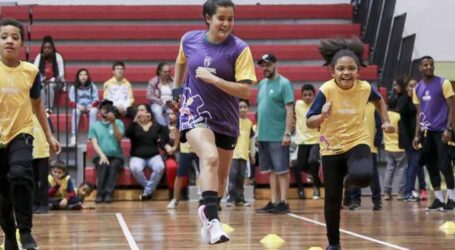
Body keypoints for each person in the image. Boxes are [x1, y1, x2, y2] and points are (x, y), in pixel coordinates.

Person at [173, 0, 256, 244]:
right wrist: (177, 91)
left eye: (231, 19)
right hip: (194, 113)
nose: (227, 23)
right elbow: (180, 61)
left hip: (226, 119)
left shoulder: (240, 49)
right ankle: (213, 222)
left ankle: (207, 211)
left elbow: (244, 92)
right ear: (208, 18)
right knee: (209, 157)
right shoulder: (189, 39)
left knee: (221, 182)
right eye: (221, 18)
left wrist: (213, 79)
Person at [306, 38, 393, 250]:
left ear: (358, 72)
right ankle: (334, 244)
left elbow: (379, 99)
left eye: (351, 68)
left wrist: (387, 120)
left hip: (357, 141)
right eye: (341, 69)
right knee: (332, 200)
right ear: (332, 72)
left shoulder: (364, 88)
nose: (346, 72)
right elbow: (309, 122)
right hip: (331, 147)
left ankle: (349, 180)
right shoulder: (326, 90)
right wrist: (322, 115)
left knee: (364, 177)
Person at [0, 18, 61, 250]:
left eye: (15, 37)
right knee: (3, 193)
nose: (9, 41)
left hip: (21, 133)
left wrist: (49, 135)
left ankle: (25, 231)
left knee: (19, 174)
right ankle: (8, 233)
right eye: (4, 36)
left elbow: (37, 106)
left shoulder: (31, 72)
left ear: (22, 43)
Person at [412, 56, 455, 211]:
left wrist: (448, 129)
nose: (429, 67)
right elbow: (419, 114)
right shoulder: (417, 88)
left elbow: (452, 107)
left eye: (431, 64)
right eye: (426, 65)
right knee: (431, 166)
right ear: (420, 68)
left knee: (445, 165)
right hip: (426, 133)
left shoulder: (444, 83)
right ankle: (438, 200)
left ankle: (452, 199)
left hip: (442, 131)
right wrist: (417, 134)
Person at [255, 53, 294, 214]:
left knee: (282, 170)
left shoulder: (284, 83)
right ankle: (274, 200)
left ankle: (284, 202)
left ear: (275, 64)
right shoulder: (262, 84)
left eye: (268, 64)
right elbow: (260, 110)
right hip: (264, 134)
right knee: (271, 170)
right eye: (263, 65)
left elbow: (289, 109)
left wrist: (287, 133)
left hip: (278, 134)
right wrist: (257, 131)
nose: (265, 68)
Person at [125, 104, 171, 200]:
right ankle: (148, 190)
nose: (139, 112)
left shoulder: (155, 125)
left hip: (153, 155)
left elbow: (165, 133)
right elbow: (127, 134)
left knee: (160, 167)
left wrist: (153, 120)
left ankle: (147, 192)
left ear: (148, 113)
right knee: (135, 168)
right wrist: (134, 122)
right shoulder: (134, 125)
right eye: (138, 110)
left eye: (142, 110)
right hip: (137, 156)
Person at [393, 77, 427, 201]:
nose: (413, 88)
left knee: (419, 163)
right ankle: (409, 191)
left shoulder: (420, 100)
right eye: (411, 85)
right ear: (406, 87)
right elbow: (401, 110)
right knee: (414, 163)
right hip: (408, 138)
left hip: (419, 136)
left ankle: (422, 188)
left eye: (415, 85)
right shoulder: (403, 99)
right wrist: (409, 96)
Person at [345, 102, 383, 211]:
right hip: (354, 147)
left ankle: (377, 200)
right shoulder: (351, 107)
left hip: (370, 147)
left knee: (373, 175)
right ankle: (355, 200)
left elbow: (379, 126)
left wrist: (377, 140)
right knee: (354, 174)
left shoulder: (373, 108)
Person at [88, 99, 124, 203]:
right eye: (103, 108)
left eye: (108, 108)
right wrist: (102, 155)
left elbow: (119, 138)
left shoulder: (118, 123)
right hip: (100, 155)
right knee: (103, 164)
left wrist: (113, 123)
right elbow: (94, 143)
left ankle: (109, 193)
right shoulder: (95, 126)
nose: (106, 110)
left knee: (113, 166)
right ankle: (100, 193)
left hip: (116, 156)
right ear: (99, 111)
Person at [294, 84, 322, 200]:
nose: (307, 97)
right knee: (298, 167)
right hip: (302, 140)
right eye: (305, 95)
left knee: (312, 161)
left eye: (310, 95)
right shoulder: (297, 104)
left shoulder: (317, 106)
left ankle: (316, 187)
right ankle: (300, 189)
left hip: (315, 139)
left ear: (314, 95)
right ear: (301, 96)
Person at [226, 99, 255, 207]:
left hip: (244, 155)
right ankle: (230, 198)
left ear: (248, 109)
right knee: (232, 176)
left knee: (241, 177)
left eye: (244, 107)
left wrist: (252, 154)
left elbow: (251, 139)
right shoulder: (233, 121)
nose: (242, 109)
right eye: (240, 107)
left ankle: (240, 198)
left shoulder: (249, 123)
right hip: (233, 154)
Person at [382, 97, 407, 201]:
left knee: (389, 169)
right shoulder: (399, 116)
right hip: (399, 147)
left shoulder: (385, 116)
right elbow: (402, 132)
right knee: (401, 169)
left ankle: (387, 193)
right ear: (397, 106)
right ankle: (401, 193)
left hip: (388, 147)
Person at [33, 35, 65, 111]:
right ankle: (43, 108)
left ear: (52, 48)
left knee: (50, 86)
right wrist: (42, 80)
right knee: (42, 88)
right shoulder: (39, 56)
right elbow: (34, 71)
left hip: (57, 81)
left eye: (49, 48)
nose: (47, 50)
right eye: (45, 48)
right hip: (43, 81)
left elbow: (61, 74)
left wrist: (51, 81)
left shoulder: (58, 56)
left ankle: (49, 108)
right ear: (42, 49)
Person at [68, 68, 99, 146]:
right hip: (79, 107)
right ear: (78, 77)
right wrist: (78, 106)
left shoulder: (92, 86)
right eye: (81, 75)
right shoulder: (73, 87)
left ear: (88, 76)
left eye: (85, 74)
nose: (83, 76)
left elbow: (97, 100)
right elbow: (71, 102)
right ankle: (74, 136)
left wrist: (91, 105)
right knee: (75, 112)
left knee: (94, 111)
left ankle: (91, 136)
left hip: (89, 106)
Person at [31, 114, 51, 214]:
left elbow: (51, 133)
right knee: (32, 180)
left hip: (43, 152)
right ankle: (33, 203)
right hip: (29, 152)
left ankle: (44, 204)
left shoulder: (45, 115)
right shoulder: (24, 115)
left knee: (43, 180)